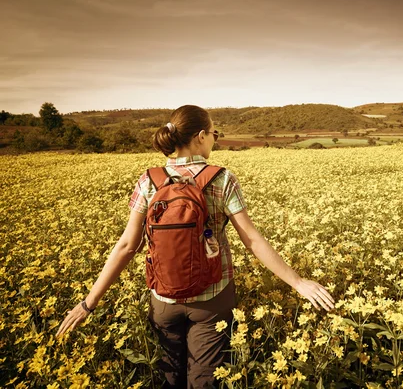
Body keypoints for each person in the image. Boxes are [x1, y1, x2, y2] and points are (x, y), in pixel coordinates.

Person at [56, 105, 336, 388]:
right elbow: (251, 239)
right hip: (211, 300)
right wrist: (298, 282)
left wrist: (87, 304)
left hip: (164, 300)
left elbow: (128, 246)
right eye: (214, 133)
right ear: (200, 136)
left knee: (170, 376)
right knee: (205, 381)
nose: (215, 138)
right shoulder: (221, 178)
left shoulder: (149, 181)